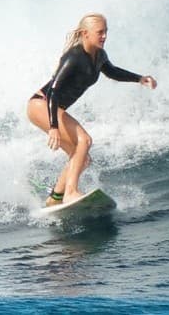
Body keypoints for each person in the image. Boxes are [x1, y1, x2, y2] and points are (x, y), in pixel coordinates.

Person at [27, 13, 157, 206]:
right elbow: (54, 90)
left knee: (82, 158)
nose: (104, 36)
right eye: (100, 32)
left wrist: (139, 78)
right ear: (85, 34)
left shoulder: (99, 55)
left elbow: (112, 72)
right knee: (84, 140)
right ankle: (70, 192)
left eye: (106, 32)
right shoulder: (74, 57)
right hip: (41, 104)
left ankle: (54, 199)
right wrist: (53, 126)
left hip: (54, 108)